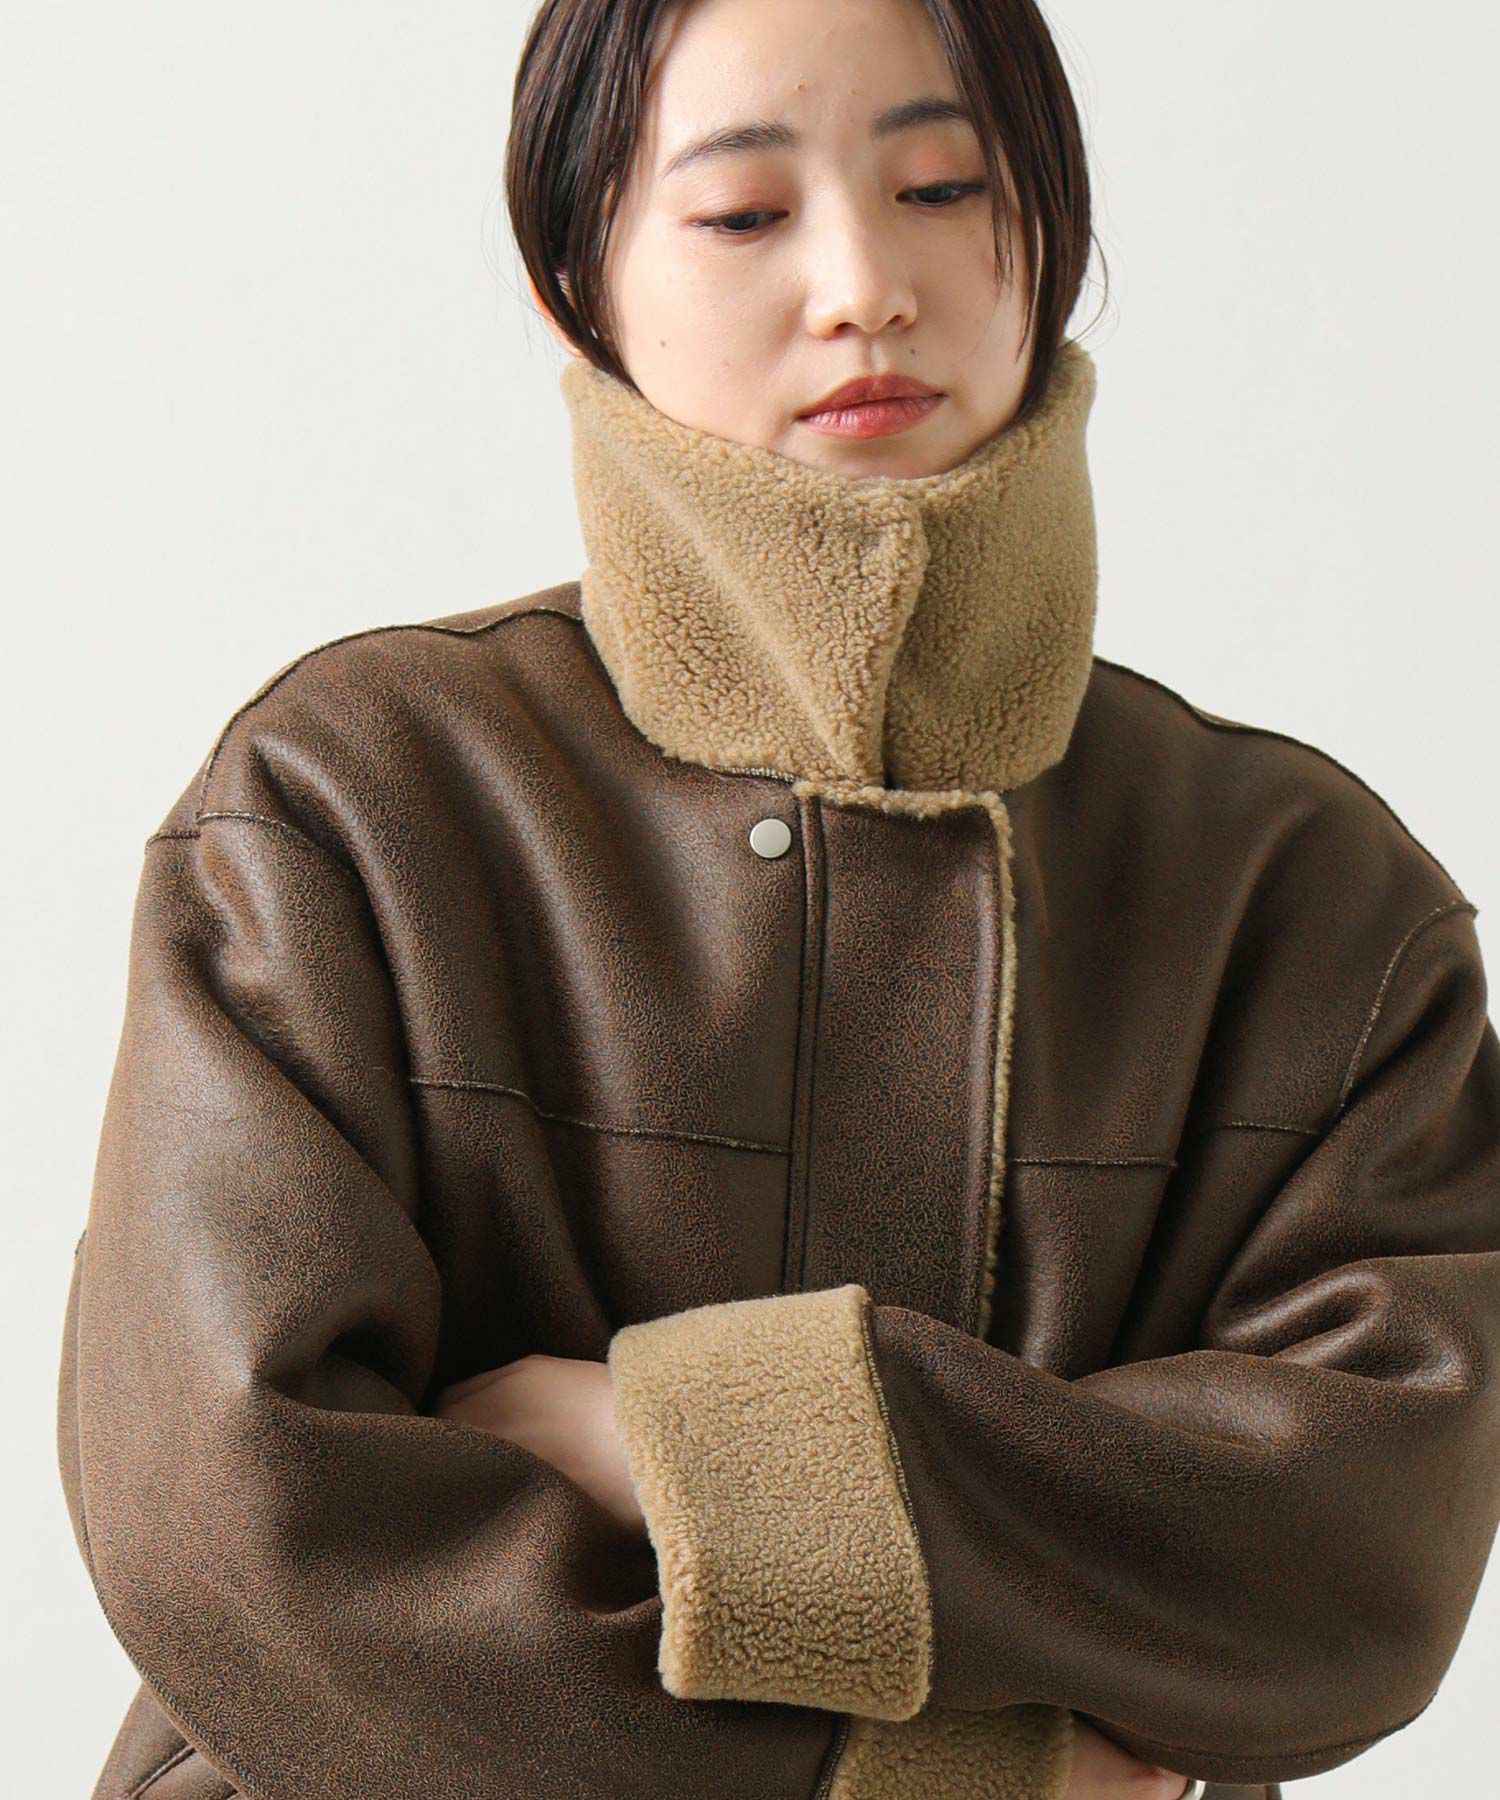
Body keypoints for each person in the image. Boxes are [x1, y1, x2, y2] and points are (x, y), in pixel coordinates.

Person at [57, 2, 1500, 1798]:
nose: (865, 285)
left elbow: (1357, 1566)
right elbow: (236, 1526)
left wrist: (665, 1443)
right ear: (571, 278)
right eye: (744, 212)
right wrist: (947, 1782)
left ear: (1048, 220)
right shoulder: (348, 806)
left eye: (942, 186)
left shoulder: (1314, 902)